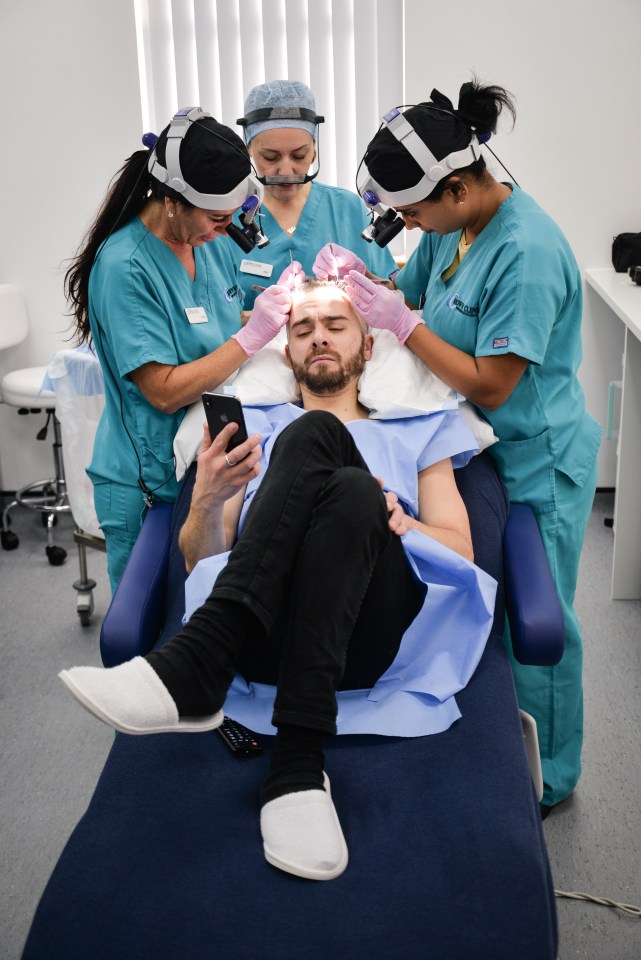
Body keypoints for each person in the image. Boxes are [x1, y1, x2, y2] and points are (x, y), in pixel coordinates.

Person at [59, 276, 497, 882]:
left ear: (368, 348)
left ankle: (201, 663)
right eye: (302, 329)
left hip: (372, 635)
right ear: (286, 353)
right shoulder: (254, 430)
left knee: (337, 460)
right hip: (266, 638)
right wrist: (210, 498)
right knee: (330, 460)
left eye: (336, 325)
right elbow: (197, 556)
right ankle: (295, 765)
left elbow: (462, 548)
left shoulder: (420, 427)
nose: (318, 337)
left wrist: (401, 521)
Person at [314, 79, 601, 814]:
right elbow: (404, 291)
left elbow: (493, 383)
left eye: (412, 210)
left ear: (458, 184)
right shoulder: (449, 227)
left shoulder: (527, 251)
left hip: (535, 452)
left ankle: (549, 778)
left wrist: (402, 327)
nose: (407, 222)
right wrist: (359, 287)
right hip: (477, 447)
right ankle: (495, 741)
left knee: (537, 616)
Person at [65, 107, 293, 589]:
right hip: (147, 482)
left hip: (201, 468)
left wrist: (280, 314)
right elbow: (164, 391)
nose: (225, 230)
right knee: (147, 632)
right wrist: (252, 337)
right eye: (216, 218)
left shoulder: (202, 240)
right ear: (171, 202)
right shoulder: (126, 266)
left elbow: (214, 323)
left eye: (232, 216)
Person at [233, 80, 397, 312]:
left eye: (299, 155)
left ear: (314, 149)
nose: (286, 171)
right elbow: (219, 314)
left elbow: (392, 294)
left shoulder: (348, 209)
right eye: (270, 158)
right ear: (248, 150)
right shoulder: (226, 221)